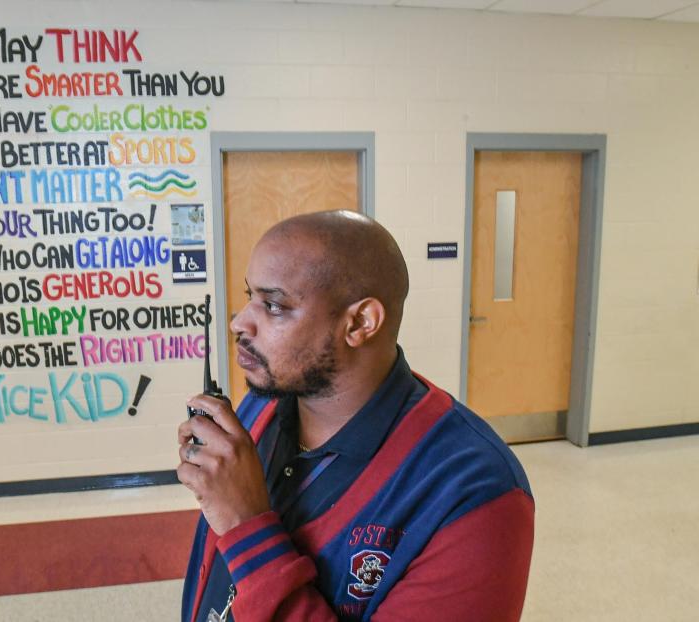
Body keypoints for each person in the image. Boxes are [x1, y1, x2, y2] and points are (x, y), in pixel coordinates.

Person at [177, 211, 534, 622]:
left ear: (360, 322)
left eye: (273, 305)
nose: (239, 322)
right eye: (249, 296)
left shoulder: (475, 492)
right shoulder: (267, 400)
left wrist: (246, 526)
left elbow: (239, 538)